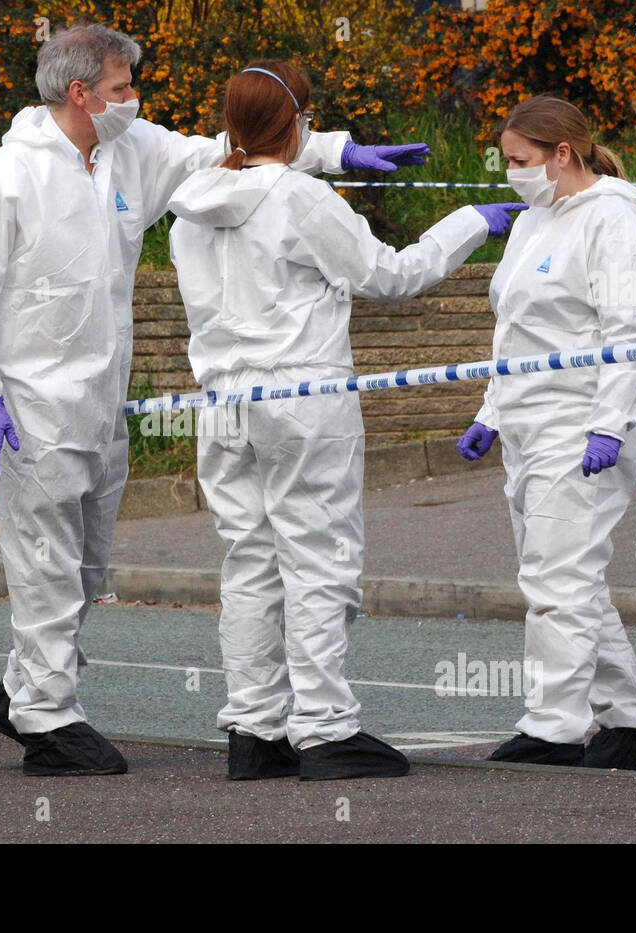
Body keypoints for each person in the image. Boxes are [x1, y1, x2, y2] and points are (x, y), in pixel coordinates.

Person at [0, 25, 441, 776]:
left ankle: (22, 688)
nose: (133, 102)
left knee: (86, 566)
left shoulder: (128, 151)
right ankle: (48, 717)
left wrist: (337, 151)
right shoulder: (3, 178)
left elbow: (235, 148)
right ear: (79, 92)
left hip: (100, 401)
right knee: (44, 562)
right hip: (28, 405)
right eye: (121, 89)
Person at [167, 60, 525, 781]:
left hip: (223, 405)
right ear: (297, 123)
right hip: (303, 401)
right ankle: (327, 729)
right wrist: (469, 225)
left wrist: (330, 148)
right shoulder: (301, 199)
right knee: (318, 561)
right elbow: (389, 275)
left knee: (250, 565)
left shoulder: (190, 207)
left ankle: (254, 728)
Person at [456, 95, 636, 772]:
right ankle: (633, 724)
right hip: (527, 423)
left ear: (562, 154)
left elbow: (626, 332)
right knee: (565, 577)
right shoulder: (534, 222)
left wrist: (609, 425)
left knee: (558, 578)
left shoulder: (614, 221)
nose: (511, 172)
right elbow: (515, 332)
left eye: (519, 160)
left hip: (582, 426)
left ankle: (552, 726)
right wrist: (491, 411)